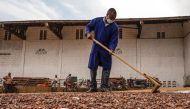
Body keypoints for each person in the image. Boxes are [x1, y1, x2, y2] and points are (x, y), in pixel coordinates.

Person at [85, 8, 119, 92]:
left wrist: (111, 48)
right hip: (96, 47)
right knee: (93, 66)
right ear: (106, 15)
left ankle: (104, 86)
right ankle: (93, 86)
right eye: (110, 18)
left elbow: (114, 40)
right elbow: (88, 26)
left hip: (106, 49)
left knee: (107, 67)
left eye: (113, 19)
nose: (111, 20)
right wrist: (88, 33)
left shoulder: (115, 27)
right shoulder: (97, 21)